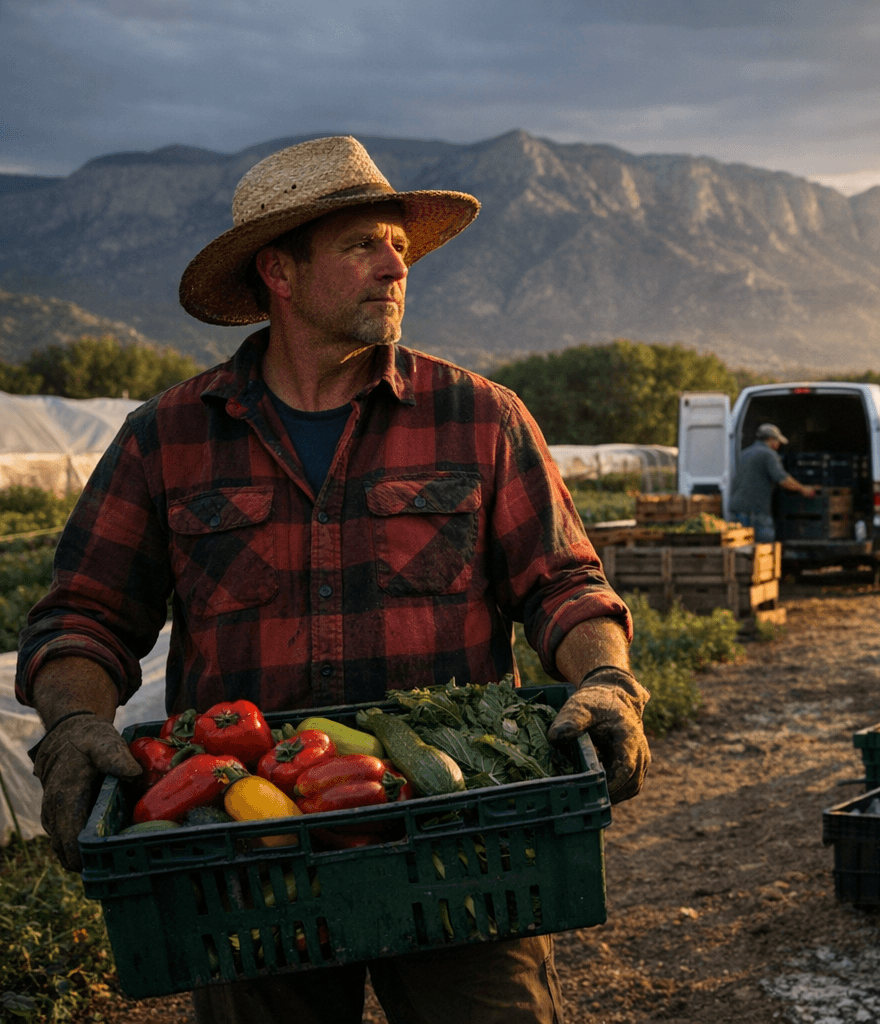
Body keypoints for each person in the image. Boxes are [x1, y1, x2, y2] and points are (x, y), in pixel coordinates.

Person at [17, 136, 650, 1024]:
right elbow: (85, 613)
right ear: (278, 271)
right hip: (247, 853)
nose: (395, 264)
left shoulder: (479, 416)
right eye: (363, 244)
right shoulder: (169, 437)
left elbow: (564, 583)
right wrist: (77, 721)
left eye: (399, 244)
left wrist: (608, 676)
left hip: (461, 837)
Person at [727, 422, 817, 542]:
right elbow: (783, 479)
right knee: (763, 551)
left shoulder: (745, 453)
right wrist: (803, 489)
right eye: (778, 441)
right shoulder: (768, 454)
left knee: (741, 549)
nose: (779, 445)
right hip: (755, 513)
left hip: (737, 509)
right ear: (771, 439)